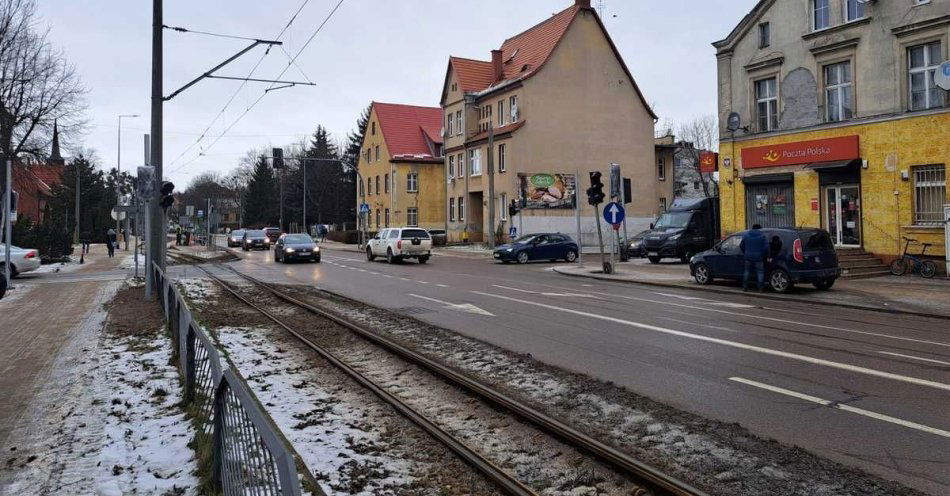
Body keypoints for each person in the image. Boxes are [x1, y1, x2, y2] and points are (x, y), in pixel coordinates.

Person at [739, 224, 769, 292]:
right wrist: (763, 254)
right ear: (759, 229)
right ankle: (760, 288)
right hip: (759, 257)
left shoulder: (746, 235)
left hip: (748, 256)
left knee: (746, 271)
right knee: (760, 272)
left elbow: (741, 245)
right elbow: (766, 248)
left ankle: (745, 287)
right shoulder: (763, 236)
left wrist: (745, 252)